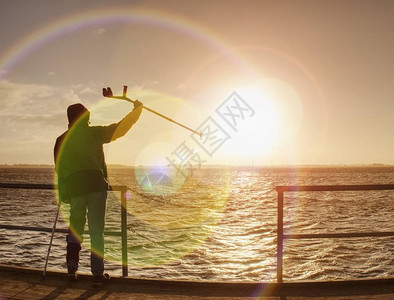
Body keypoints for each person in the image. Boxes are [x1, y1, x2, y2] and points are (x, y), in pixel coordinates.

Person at [54, 100, 143, 285]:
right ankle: (97, 274)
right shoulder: (93, 133)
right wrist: (137, 110)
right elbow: (120, 129)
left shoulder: (61, 139)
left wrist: (66, 188)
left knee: (75, 229)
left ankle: (71, 269)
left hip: (75, 189)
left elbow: (58, 168)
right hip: (95, 187)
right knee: (96, 232)